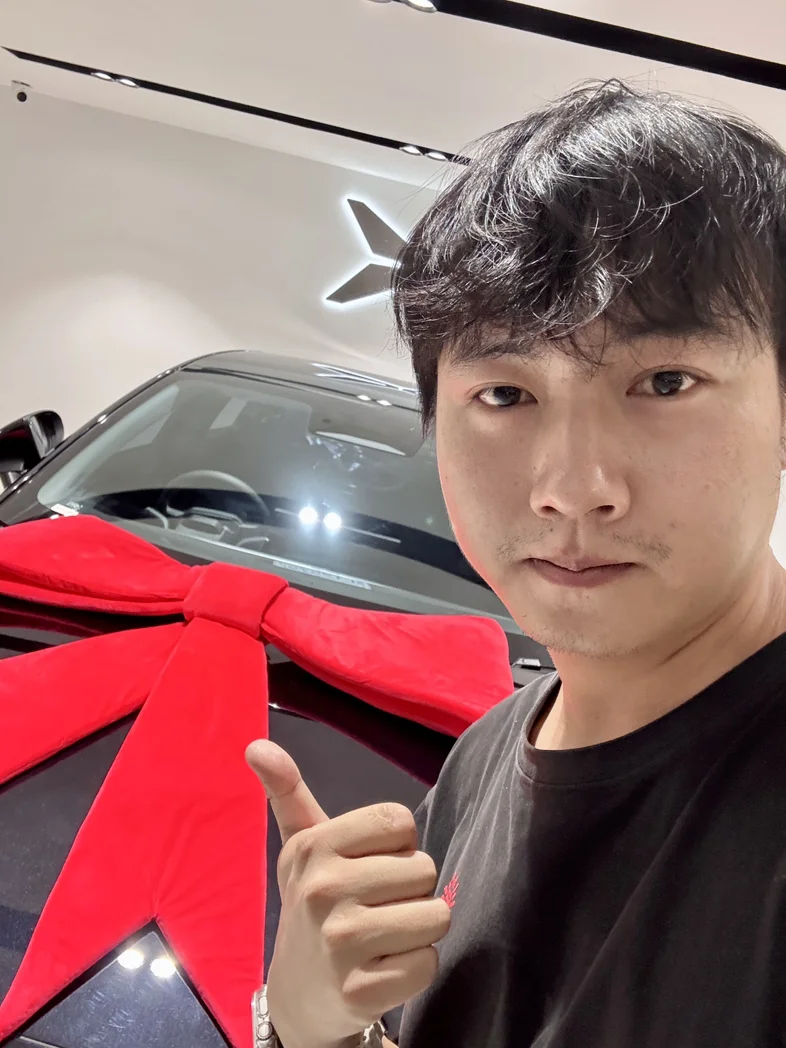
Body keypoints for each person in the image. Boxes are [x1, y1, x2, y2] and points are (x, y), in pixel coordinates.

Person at [246, 79, 786, 1048]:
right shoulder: (491, 752)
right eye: (504, 394)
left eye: (665, 381)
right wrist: (311, 1025)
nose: (572, 489)